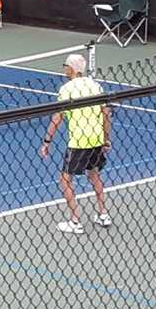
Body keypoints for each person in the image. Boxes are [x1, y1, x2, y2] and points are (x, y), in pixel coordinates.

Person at [40, 53, 113, 235]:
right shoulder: (95, 85)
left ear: (71, 68)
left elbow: (58, 117)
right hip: (96, 139)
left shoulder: (67, 89)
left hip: (79, 141)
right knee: (94, 174)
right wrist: (106, 138)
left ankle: (75, 221)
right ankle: (103, 214)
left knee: (65, 179)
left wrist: (47, 141)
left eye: (65, 65)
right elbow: (106, 114)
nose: (64, 68)